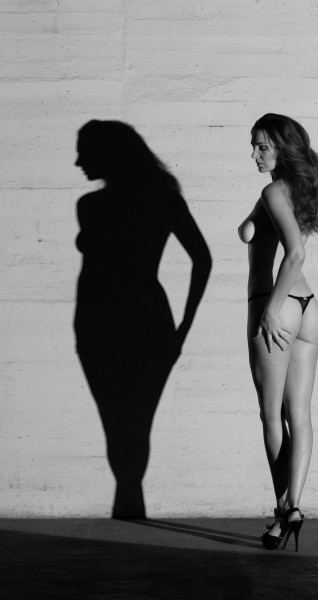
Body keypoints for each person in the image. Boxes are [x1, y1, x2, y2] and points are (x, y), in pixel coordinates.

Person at [73, 120, 212, 518]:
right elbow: (202, 259)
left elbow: (201, 260)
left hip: (102, 323)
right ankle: (129, 503)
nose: (79, 161)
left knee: (118, 421)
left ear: (109, 154)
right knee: (133, 421)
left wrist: (184, 327)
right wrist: (183, 326)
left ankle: (128, 503)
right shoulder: (162, 200)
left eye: (85, 151)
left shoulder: (92, 206)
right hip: (140, 322)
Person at [238, 113, 318, 551]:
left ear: (282, 149)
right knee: (299, 414)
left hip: (276, 305)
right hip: (309, 311)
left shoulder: (273, 192)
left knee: (271, 415)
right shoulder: (301, 193)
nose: (254, 153)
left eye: (262, 146)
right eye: (253, 145)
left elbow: (297, 253)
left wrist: (270, 309)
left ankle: (283, 508)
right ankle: (292, 508)